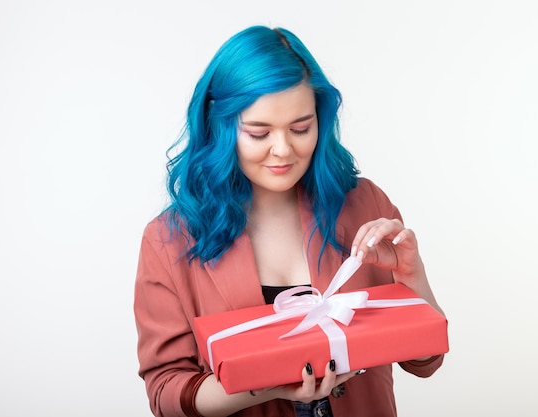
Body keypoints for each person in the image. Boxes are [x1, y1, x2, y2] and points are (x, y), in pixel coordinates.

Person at [134, 25, 445, 417]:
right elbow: (166, 394)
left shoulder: (363, 203)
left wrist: (412, 278)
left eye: (301, 128)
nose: (282, 150)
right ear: (220, 126)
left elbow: (425, 361)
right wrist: (263, 385)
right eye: (259, 133)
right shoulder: (169, 239)